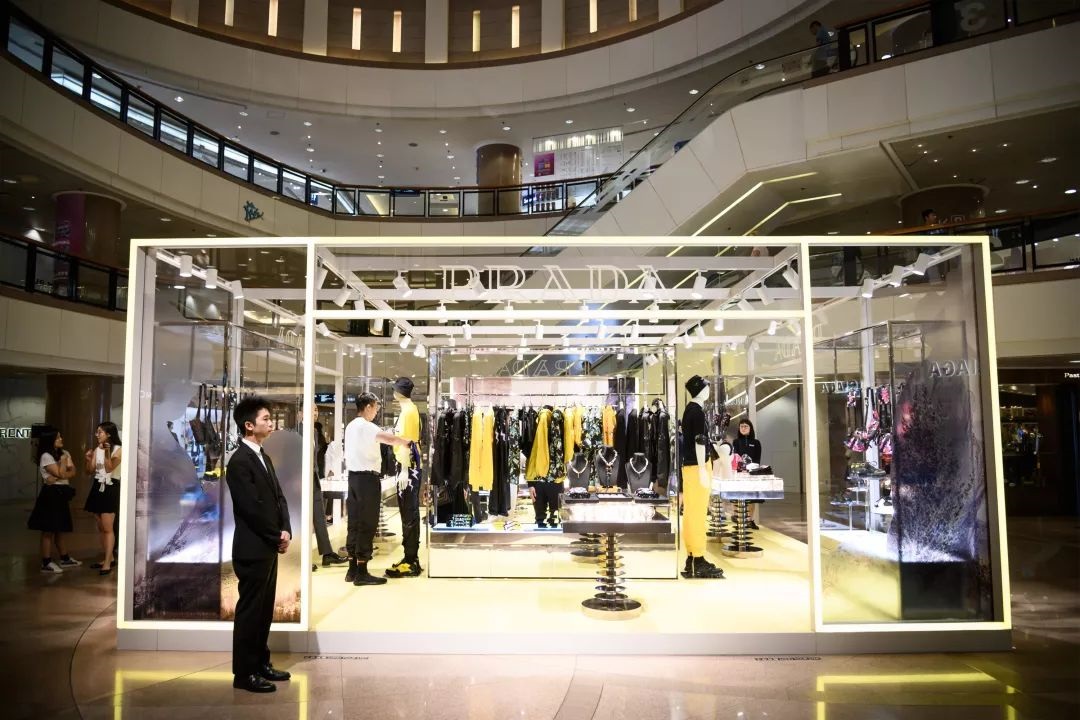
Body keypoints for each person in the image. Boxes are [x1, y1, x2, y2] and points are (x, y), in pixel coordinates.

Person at [224, 396, 292, 694]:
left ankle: (261, 663)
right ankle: (244, 673)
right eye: (265, 418)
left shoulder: (263, 456)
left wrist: (286, 528)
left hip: (268, 545)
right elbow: (251, 508)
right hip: (252, 547)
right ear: (249, 425)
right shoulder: (239, 461)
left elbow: (278, 497)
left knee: (264, 610)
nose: (270, 423)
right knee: (250, 612)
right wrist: (276, 535)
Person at [343, 391, 412, 586]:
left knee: (354, 523)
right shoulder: (367, 426)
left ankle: (352, 569)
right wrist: (406, 442)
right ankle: (362, 572)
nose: (376, 412)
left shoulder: (350, 426)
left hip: (353, 479)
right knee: (367, 523)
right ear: (368, 407)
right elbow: (389, 439)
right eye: (375, 408)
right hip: (367, 480)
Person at [28, 428, 80, 573]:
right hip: (50, 494)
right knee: (48, 529)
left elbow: (73, 472)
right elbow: (61, 473)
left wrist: (58, 475)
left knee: (60, 527)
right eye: (57, 437)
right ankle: (46, 562)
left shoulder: (65, 453)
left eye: (60, 437)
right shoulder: (46, 456)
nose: (61, 439)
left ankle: (64, 558)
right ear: (50, 440)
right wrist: (62, 465)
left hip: (61, 492)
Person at [386, 377, 422, 578]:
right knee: (409, 512)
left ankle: (410, 560)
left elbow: (408, 441)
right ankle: (410, 557)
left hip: (408, 466)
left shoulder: (408, 411)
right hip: (408, 464)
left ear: (399, 391)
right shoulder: (409, 409)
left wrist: (405, 469)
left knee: (408, 512)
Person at [305, 406, 347, 571]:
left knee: (320, 517)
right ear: (301, 412)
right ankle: (302, 559)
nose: (315, 413)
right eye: (312, 409)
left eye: (316, 410)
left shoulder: (315, 432)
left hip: (314, 479)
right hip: (302, 481)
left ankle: (327, 553)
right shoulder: (299, 431)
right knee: (304, 520)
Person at [83, 422, 122, 576]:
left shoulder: (119, 449)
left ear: (109, 434)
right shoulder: (97, 449)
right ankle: (108, 557)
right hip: (98, 486)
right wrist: (88, 459)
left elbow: (109, 468)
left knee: (108, 527)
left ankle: (107, 563)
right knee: (100, 527)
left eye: (100, 432)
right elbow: (89, 471)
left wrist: (106, 452)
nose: (97, 435)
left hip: (111, 487)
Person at [732, 419, 764, 530]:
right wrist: (740, 469)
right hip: (739, 474)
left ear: (750, 428)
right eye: (741, 426)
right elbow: (735, 458)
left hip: (751, 474)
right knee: (738, 496)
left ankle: (749, 520)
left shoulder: (756, 443)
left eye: (746, 426)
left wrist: (751, 470)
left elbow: (757, 460)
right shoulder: (736, 442)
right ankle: (739, 520)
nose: (743, 428)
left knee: (751, 498)